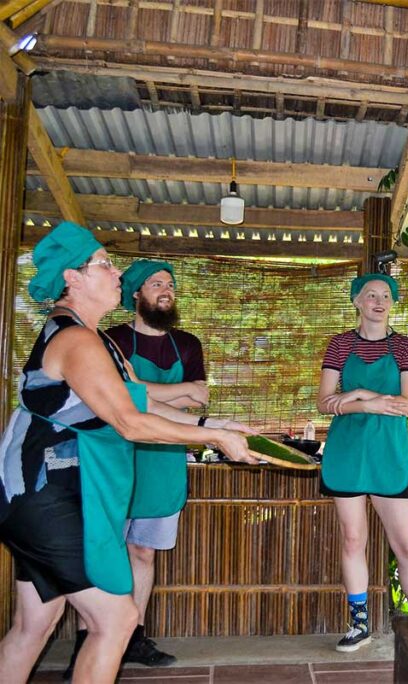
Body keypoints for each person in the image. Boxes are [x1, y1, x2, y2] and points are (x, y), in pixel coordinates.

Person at [0, 222, 259, 684]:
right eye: (104, 263)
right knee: (117, 621)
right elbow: (130, 422)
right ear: (71, 278)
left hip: (48, 498)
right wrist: (214, 441)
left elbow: (142, 401)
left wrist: (212, 423)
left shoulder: (97, 341)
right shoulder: (75, 340)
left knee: (33, 626)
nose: (117, 272)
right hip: (46, 496)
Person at [62, 260, 208, 675]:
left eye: (170, 284)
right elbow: (118, 397)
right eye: (156, 283)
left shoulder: (189, 344)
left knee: (143, 551)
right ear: (135, 294)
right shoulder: (110, 339)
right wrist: (172, 393)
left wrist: (145, 393)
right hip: (115, 455)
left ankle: (133, 637)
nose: (166, 290)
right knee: (105, 549)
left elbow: (197, 399)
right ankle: (93, 637)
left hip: (165, 458)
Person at [316, 272, 408, 652]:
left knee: (407, 547)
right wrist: (370, 401)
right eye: (371, 294)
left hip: (388, 454)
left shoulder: (406, 348)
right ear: (357, 301)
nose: (379, 301)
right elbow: (324, 402)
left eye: (386, 296)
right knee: (352, 539)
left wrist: (355, 396)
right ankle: (359, 623)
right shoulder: (339, 345)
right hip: (346, 453)